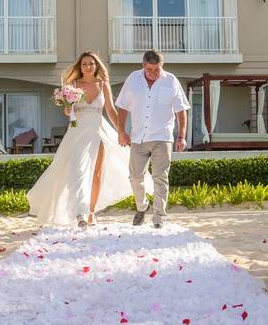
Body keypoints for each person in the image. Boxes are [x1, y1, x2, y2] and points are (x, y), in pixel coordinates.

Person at [27, 52, 134, 226]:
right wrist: (67, 107)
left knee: (97, 174)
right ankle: (80, 214)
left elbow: (111, 110)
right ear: (80, 67)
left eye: (91, 63)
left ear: (96, 65)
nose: (88, 66)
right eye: (84, 64)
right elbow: (68, 112)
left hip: (98, 131)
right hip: (78, 132)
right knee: (78, 172)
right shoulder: (73, 85)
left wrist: (121, 131)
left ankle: (91, 213)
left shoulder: (103, 84)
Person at [115, 50, 190, 229]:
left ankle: (159, 216)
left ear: (161, 66)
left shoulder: (171, 80)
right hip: (138, 137)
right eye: (150, 70)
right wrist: (121, 132)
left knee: (160, 177)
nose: (154, 73)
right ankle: (142, 206)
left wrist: (181, 136)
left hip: (162, 137)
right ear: (143, 66)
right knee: (135, 176)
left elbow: (181, 110)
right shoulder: (133, 79)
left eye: (157, 69)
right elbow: (123, 108)